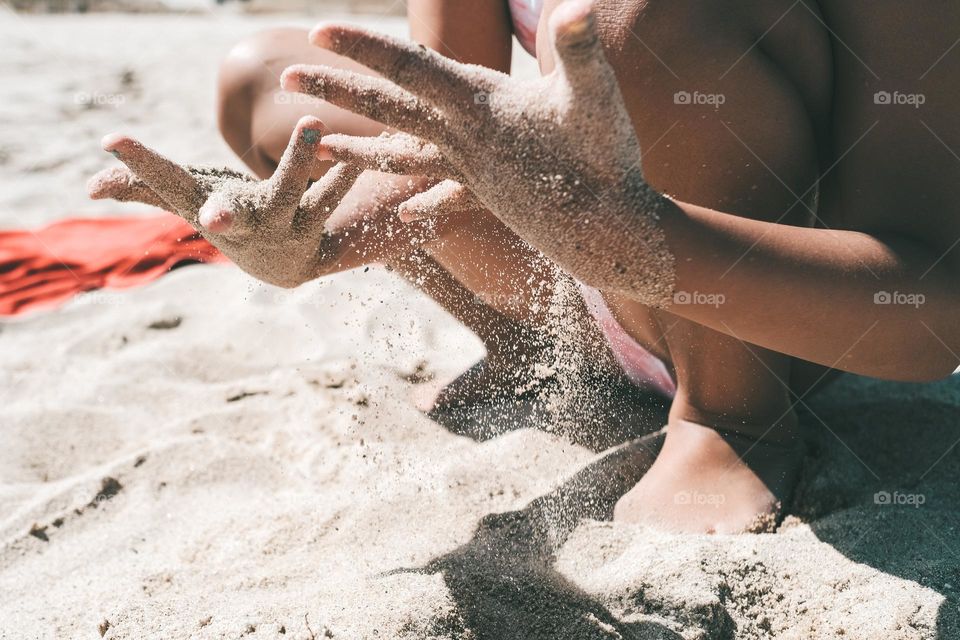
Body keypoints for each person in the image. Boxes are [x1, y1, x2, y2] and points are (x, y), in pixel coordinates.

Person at [89, 0, 960, 533]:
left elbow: (929, 312)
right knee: (267, 82)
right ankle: (527, 343)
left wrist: (643, 245)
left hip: (771, 305)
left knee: (642, 19)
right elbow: (459, 139)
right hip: (586, 273)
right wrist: (311, 249)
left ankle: (733, 414)